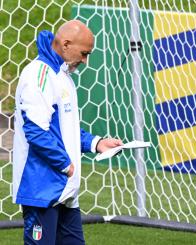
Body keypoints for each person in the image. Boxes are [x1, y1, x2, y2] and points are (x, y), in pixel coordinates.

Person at [12, 20, 123, 244]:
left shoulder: (61, 75)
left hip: (64, 189)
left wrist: (96, 143)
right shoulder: (38, 75)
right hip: (42, 188)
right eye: (83, 53)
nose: (85, 60)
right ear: (65, 44)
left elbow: (65, 129)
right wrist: (66, 164)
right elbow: (35, 132)